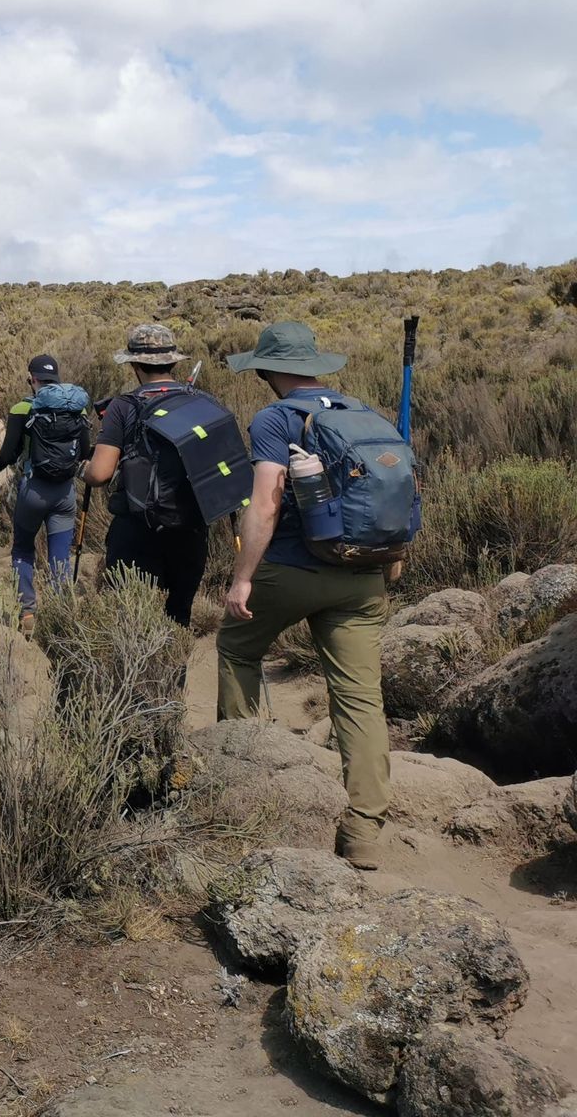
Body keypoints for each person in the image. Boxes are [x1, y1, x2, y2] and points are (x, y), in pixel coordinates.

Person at [216, 322, 393, 870]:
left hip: (293, 567)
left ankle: (237, 784)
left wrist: (243, 575)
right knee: (359, 695)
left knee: (237, 649)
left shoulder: (276, 418)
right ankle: (364, 833)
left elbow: (266, 503)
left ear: (268, 369)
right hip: (364, 573)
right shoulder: (362, 412)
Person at [85, 323, 214, 625]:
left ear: (135, 366)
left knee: (131, 620)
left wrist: (84, 472)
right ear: (172, 361)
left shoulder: (123, 406)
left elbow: (101, 473)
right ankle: (174, 674)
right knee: (179, 617)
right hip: (190, 529)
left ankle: (136, 672)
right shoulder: (200, 401)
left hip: (136, 530)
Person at [0, 354, 89, 633]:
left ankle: (27, 613)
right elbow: (86, 452)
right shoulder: (77, 409)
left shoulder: (21, 408)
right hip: (65, 493)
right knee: (60, 557)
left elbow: (8, 453)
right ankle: (62, 616)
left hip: (33, 491)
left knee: (22, 548)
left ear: (32, 378)